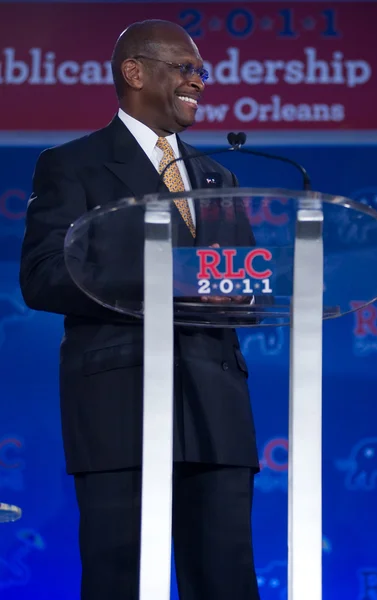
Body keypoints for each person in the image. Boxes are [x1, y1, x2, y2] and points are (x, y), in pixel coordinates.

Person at [19, 19, 260, 600]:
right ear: (134, 72)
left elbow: (251, 280)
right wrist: (168, 282)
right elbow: (44, 275)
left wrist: (248, 290)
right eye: (185, 68)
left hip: (215, 411)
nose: (199, 81)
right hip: (119, 409)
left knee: (226, 582)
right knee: (120, 581)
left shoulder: (216, 175)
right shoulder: (72, 164)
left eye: (202, 72)